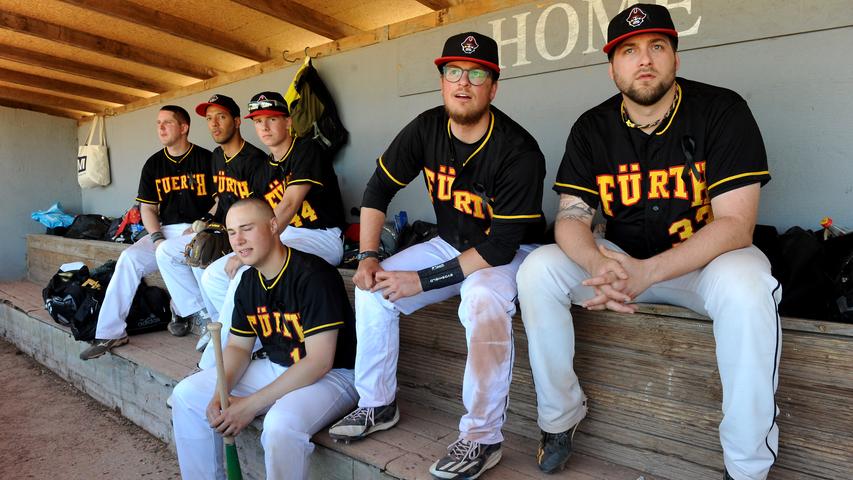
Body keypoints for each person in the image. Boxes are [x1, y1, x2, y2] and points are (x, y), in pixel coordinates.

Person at [516, 5, 781, 479]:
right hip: (618, 267)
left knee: (749, 287)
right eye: (629, 50)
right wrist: (597, 261)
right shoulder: (592, 127)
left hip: (702, 266)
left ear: (675, 58)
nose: (645, 59)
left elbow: (736, 224)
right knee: (538, 269)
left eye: (657, 46)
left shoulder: (722, 111)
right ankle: (561, 418)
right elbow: (571, 219)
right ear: (612, 66)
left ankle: (747, 467)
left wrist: (649, 272)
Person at [328, 32, 546, 479]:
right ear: (442, 80)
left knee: (482, 299)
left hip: (510, 251)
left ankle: (482, 438)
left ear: (494, 85)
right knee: (373, 288)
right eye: (453, 72)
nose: (463, 83)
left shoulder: (518, 150)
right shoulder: (427, 127)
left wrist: (424, 280)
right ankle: (377, 403)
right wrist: (369, 256)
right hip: (452, 240)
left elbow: (500, 246)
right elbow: (377, 190)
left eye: (476, 73)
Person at [171, 198, 357, 480]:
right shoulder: (248, 281)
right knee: (187, 395)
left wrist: (250, 405)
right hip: (279, 366)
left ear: (273, 226)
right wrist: (220, 392)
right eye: (232, 232)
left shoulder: (315, 275)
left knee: (280, 426)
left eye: (247, 228)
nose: (238, 240)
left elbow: (319, 361)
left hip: (334, 376)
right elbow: (238, 347)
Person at [196, 91, 346, 368]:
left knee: (245, 272)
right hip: (284, 236)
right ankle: (258, 339)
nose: (264, 127)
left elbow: (288, 205)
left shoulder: (306, 150)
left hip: (320, 236)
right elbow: (254, 213)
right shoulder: (264, 168)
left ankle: (212, 365)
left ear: (288, 122)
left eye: (272, 119)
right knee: (213, 276)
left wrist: (246, 255)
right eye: (258, 121)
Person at [79, 106, 215, 360]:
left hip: (199, 229)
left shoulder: (206, 159)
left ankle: (201, 318)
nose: (160, 128)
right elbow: (148, 209)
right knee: (130, 258)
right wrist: (156, 237)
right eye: (158, 123)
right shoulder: (154, 164)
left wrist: (204, 222)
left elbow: (222, 200)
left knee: (194, 256)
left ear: (184, 127)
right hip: (164, 229)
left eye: (167, 123)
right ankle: (111, 331)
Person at [156, 94, 267, 346]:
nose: (214, 124)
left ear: (237, 121)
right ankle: (207, 318)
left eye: (221, 117)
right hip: (222, 229)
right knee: (167, 251)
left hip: (245, 233)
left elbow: (262, 211)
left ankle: (226, 330)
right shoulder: (216, 156)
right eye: (209, 119)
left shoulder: (255, 160)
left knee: (203, 253)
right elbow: (221, 201)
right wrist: (204, 220)